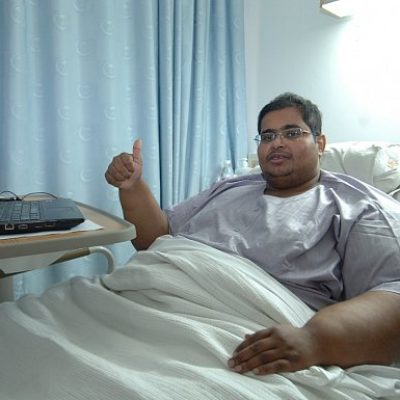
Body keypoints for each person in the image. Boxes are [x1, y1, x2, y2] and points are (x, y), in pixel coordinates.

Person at [105, 92, 400, 376]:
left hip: (242, 327)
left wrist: (314, 340)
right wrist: (133, 186)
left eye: (292, 133)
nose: (277, 143)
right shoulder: (229, 187)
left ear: (320, 143)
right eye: (267, 136)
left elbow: (392, 292)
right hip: (147, 300)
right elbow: (155, 237)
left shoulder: (357, 207)